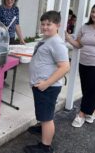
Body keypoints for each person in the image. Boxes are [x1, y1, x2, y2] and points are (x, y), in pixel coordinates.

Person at [24, 11, 70, 153]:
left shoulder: (57, 43)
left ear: (58, 25)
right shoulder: (46, 39)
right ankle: (42, 128)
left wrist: (46, 83)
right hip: (41, 86)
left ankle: (45, 147)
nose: (45, 27)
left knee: (47, 117)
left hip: (47, 87)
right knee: (44, 113)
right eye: (43, 24)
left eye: (49, 24)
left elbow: (65, 67)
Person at [65, 2, 95, 128]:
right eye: (93, 11)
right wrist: (68, 39)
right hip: (84, 63)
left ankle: (82, 114)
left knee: (93, 90)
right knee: (87, 89)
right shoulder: (85, 27)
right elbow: (79, 45)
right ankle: (92, 110)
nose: (94, 14)